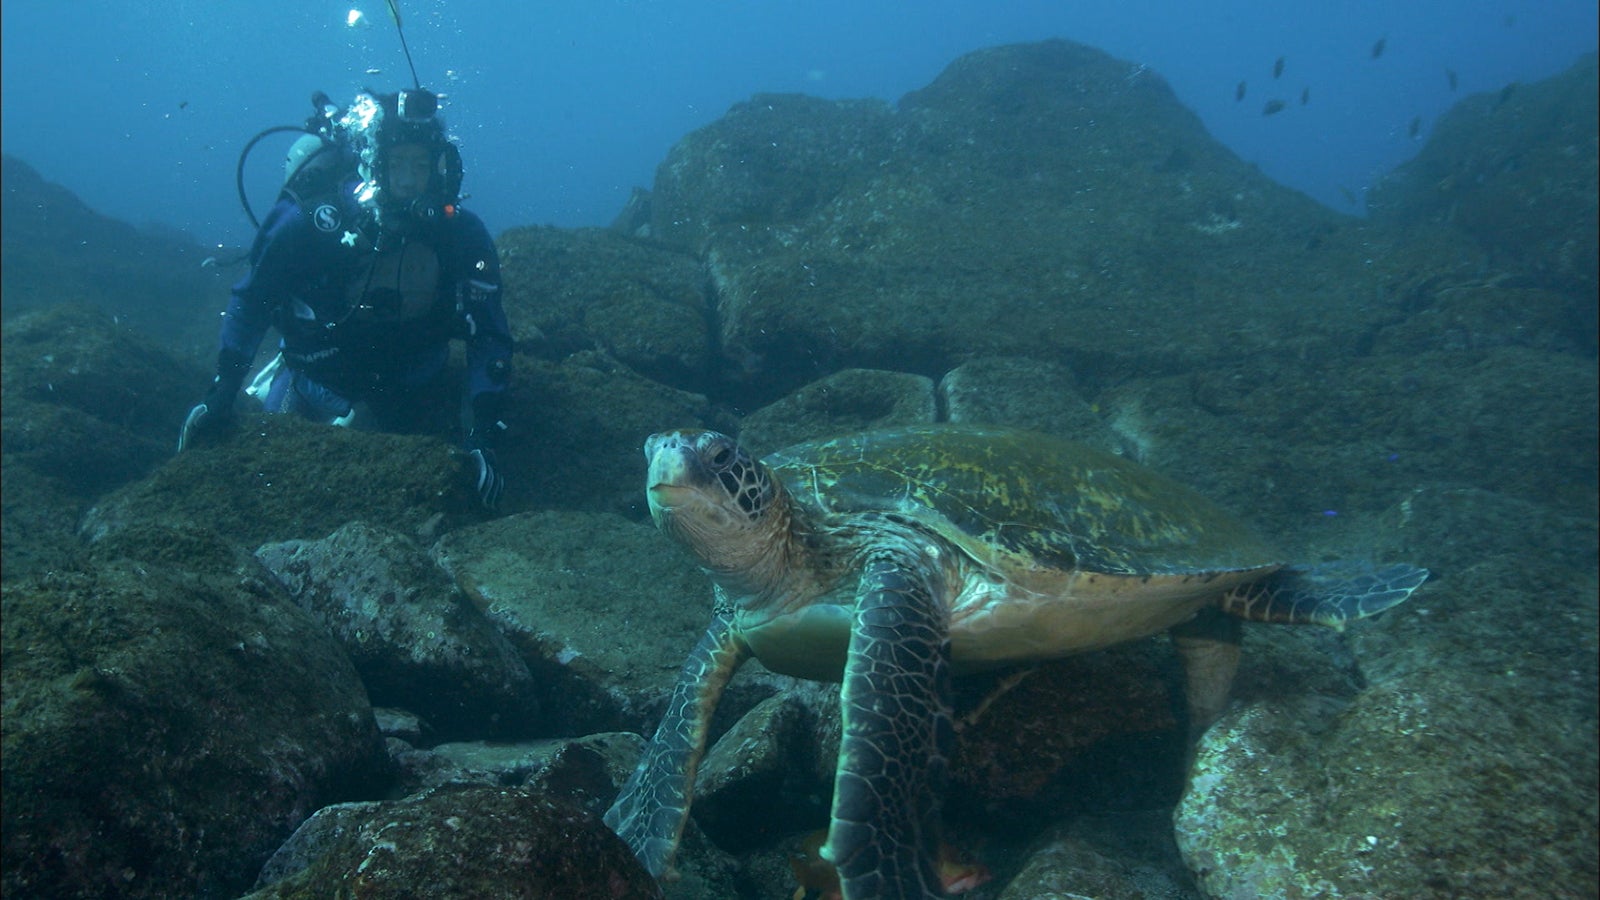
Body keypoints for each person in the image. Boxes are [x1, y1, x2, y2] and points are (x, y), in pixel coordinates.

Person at [179, 88, 513, 510]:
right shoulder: (312, 219)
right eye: (396, 165)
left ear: (441, 169)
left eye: (421, 166)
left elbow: (489, 332)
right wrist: (224, 387)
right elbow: (254, 297)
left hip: (414, 384)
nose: (409, 181)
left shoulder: (462, 236)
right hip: (315, 380)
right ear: (375, 163)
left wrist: (484, 430)